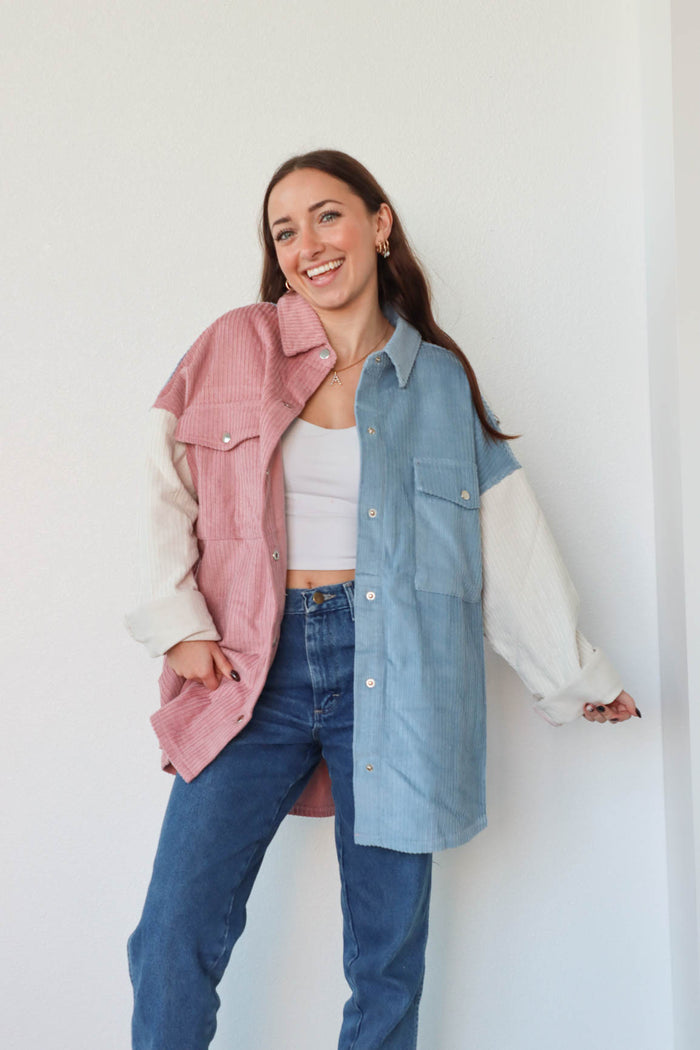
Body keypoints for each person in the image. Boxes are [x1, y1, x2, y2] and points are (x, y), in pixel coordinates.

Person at [124, 148, 640, 1050]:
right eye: (284, 230)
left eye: (327, 215)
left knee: (386, 958)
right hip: (253, 666)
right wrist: (178, 624)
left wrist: (574, 674)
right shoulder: (232, 346)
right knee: (172, 934)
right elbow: (161, 478)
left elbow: (503, 535)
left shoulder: (437, 379)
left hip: (398, 675)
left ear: (379, 223)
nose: (307, 245)